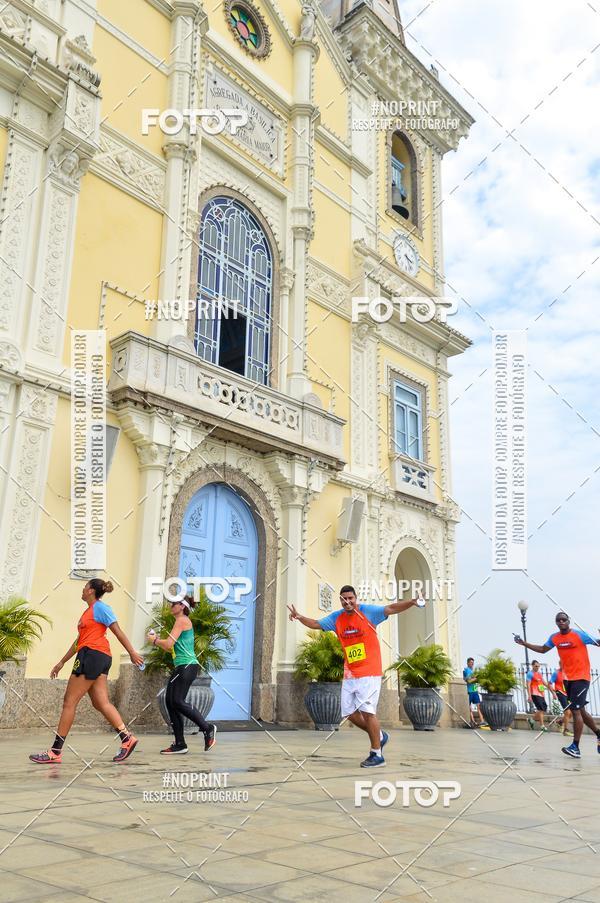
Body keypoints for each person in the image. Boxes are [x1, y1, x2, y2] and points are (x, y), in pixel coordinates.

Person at [288, 584, 423, 768]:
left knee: (367, 712)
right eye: (344, 599)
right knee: (349, 712)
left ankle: (377, 754)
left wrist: (412, 602)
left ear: (355, 598)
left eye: (350, 598)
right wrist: (299, 617)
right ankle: (380, 736)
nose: (347, 602)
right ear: (341, 601)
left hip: (369, 671)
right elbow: (316, 624)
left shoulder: (368, 612)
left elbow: (390, 608)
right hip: (350, 673)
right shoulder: (337, 618)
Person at [29, 579, 143, 764]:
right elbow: (78, 642)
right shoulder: (88, 612)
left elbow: (118, 631)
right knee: (100, 702)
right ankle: (127, 738)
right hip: (94, 654)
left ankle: (55, 751)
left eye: (84, 587)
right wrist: (61, 662)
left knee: (69, 701)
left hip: (93, 655)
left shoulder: (101, 608)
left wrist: (131, 652)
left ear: (90, 590)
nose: (82, 590)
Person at [515, 612, 600, 758]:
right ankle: (598, 733)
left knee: (575, 710)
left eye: (564, 620)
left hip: (582, 677)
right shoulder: (555, 638)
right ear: (556, 623)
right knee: (581, 710)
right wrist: (524, 643)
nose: (561, 622)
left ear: (568, 621)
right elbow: (543, 649)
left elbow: (597, 642)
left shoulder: (580, 635)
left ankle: (575, 747)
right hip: (568, 679)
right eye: (558, 620)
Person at [148, 594, 217, 755]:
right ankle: (180, 744)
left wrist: (154, 640)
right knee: (170, 701)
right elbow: (170, 646)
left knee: (177, 700)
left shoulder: (182, 620)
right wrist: (158, 640)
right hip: (182, 666)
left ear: (182, 607)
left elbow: (168, 644)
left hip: (187, 666)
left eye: (174, 603)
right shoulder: (180, 621)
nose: (171, 605)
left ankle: (207, 728)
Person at [526, 660, 554, 732]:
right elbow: (528, 685)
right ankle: (542, 726)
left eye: (538, 666)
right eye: (536, 666)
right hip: (534, 694)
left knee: (543, 709)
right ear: (532, 666)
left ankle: (531, 720)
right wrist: (529, 696)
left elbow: (544, 683)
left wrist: (552, 691)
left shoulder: (539, 674)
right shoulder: (530, 674)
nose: (537, 667)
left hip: (541, 694)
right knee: (541, 709)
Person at [462, 657, 486, 728]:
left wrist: (477, 679)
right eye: (471, 663)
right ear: (468, 663)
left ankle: (482, 721)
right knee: (470, 708)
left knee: (479, 707)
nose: (472, 664)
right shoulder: (466, 670)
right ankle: (473, 722)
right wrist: (475, 679)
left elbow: (474, 680)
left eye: (473, 663)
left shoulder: (473, 671)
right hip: (469, 691)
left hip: (475, 691)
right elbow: (468, 681)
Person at [550, 665, 572, 737]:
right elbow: (549, 683)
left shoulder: (568, 672)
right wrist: (554, 693)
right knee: (567, 712)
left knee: (571, 713)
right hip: (560, 693)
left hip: (567, 694)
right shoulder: (556, 673)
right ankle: (565, 731)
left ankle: (560, 722)